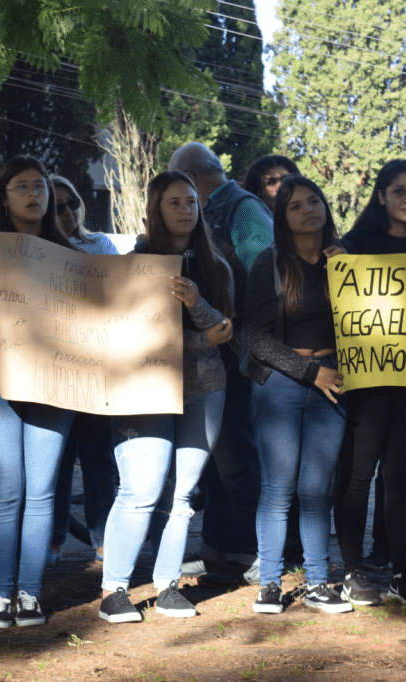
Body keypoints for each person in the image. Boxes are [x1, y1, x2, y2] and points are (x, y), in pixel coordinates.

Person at [98, 170, 235, 623]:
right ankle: (114, 589)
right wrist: (201, 338)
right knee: (140, 490)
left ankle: (168, 585)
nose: (185, 210)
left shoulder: (216, 266)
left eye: (192, 201)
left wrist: (195, 302)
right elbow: (125, 339)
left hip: (204, 391)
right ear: (156, 209)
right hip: (145, 392)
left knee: (182, 495)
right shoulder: (132, 265)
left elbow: (224, 330)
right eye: (174, 202)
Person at [0, 156, 75, 628]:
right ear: (2, 197)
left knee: (42, 493)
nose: (33, 194)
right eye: (21, 186)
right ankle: (0, 597)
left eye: (40, 186)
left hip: (54, 381)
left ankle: (30, 595)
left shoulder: (71, 255)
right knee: (3, 493)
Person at [333, 159, 406, 606]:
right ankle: (354, 571)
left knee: (401, 479)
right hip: (367, 379)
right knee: (357, 477)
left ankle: (401, 572)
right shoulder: (354, 246)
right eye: (399, 191)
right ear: (380, 197)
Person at [247, 175, 350, 615]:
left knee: (316, 490)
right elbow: (255, 338)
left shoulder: (346, 261)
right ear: (283, 217)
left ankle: (318, 583)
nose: (309, 210)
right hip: (282, 385)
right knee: (278, 489)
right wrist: (311, 373)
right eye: (296, 206)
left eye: (315, 201)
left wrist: (350, 274)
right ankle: (269, 584)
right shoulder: (270, 263)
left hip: (337, 382)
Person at [169, 142, 271, 586]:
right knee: (210, 456)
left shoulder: (244, 211)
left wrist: (252, 344)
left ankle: (248, 550)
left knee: (236, 455)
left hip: (237, 351)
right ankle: (215, 550)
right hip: (205, 350)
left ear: (193, 179)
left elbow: (267, 279)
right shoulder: (207, 213)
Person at [47, 175, 117, 566]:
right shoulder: (37, 248)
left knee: (97, 459)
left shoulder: (100, 245)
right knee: (56, 460)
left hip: (94, 368)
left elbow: (112, 297)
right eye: (57, 206)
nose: (68, 211)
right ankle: (54, 541)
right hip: (52, 371)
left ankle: (104, 541)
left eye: (71, 202)